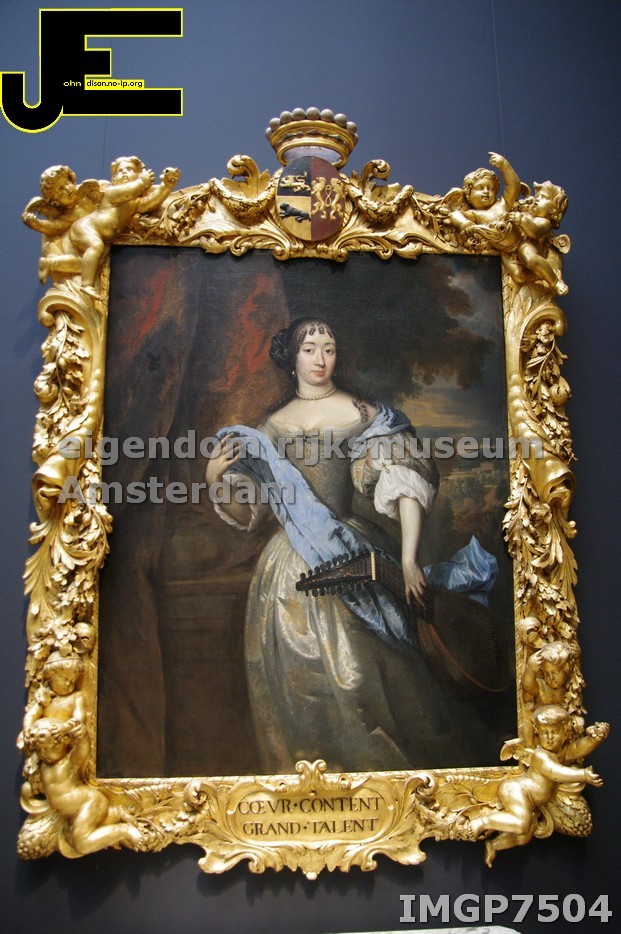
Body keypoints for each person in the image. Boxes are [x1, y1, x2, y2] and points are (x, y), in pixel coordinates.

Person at [207, 317, 504, 773]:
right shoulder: (271, 427)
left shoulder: (363, 415)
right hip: (287, 575)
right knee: (300, 685)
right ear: (292, 358)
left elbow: (403, 481)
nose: (321, 359)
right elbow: (253, 511)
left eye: (328, 348)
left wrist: (408, 559)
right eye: (310, 349)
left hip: (354, 553)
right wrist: (215, 478)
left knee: (363, 678)